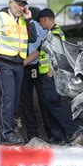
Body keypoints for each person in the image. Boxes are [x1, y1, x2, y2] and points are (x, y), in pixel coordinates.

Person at [0, 0, 37, 145]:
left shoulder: (22, 20)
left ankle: (9, 133)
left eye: (24, 5)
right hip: (4, 63)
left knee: (14, 100)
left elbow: (32, 38)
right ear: (10, 3)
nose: (22, 8)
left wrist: (29, 20)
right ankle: (6, 135)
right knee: (8, 99)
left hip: (19, 63)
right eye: (19, 4)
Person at [35, 8, 83, 145]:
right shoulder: (53, 33)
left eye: (40, 22)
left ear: (46, 19)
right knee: (50, 104)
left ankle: (74, 130)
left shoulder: (54, 34)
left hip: (51, 75)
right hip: (48, 74)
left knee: (53, 103)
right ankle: (59, 136)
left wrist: (51, 69)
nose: (40, 25)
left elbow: (57, 54)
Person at [20, 10, 51, 142]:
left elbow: (45, 49)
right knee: (26, 103)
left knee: (45, 101)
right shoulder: (18, 27)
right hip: (24, 68)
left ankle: (50, 133)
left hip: (39, 68)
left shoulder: (42, 28)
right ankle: (32, 135)